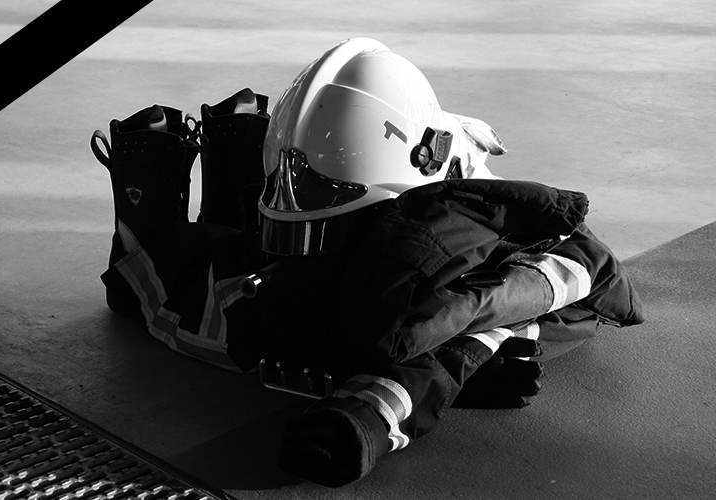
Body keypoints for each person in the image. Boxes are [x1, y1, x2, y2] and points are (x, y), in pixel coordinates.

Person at [90, 37, 644, 487]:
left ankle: (190, 186)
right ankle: (227, 167)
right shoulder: (478, 222)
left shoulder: (444, 261)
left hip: (339, 307)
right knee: (226, 263)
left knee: (178, 286)